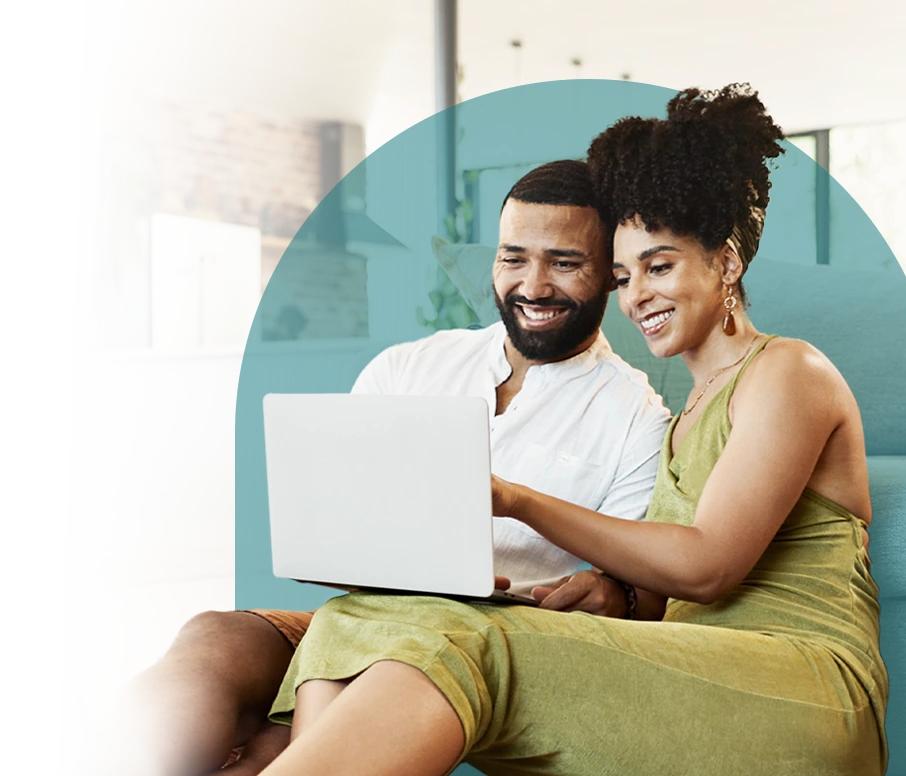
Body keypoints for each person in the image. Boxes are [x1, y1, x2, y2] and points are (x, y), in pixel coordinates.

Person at [257, 84, 887, 776]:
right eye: (621, 276)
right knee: (360, 616)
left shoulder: (788, 369)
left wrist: (517, 499)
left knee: (469, 641)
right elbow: (659, 589)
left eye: (661, 265)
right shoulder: (689, 412)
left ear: (727, 262)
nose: (637, 295)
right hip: (691, 664)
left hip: (795, 680)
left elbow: (709, 567)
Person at [96, 159, 672, 776]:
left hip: (482, 645)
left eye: (564, 262)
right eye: (513, 258)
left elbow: (640, 585)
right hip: (363, 616)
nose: (533, 285)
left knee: (291, 734)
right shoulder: (410, 367)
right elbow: (337, 516)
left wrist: (618, 593)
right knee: (217, 632)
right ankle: (97, 766)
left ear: (611, 275)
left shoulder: (637, 417)